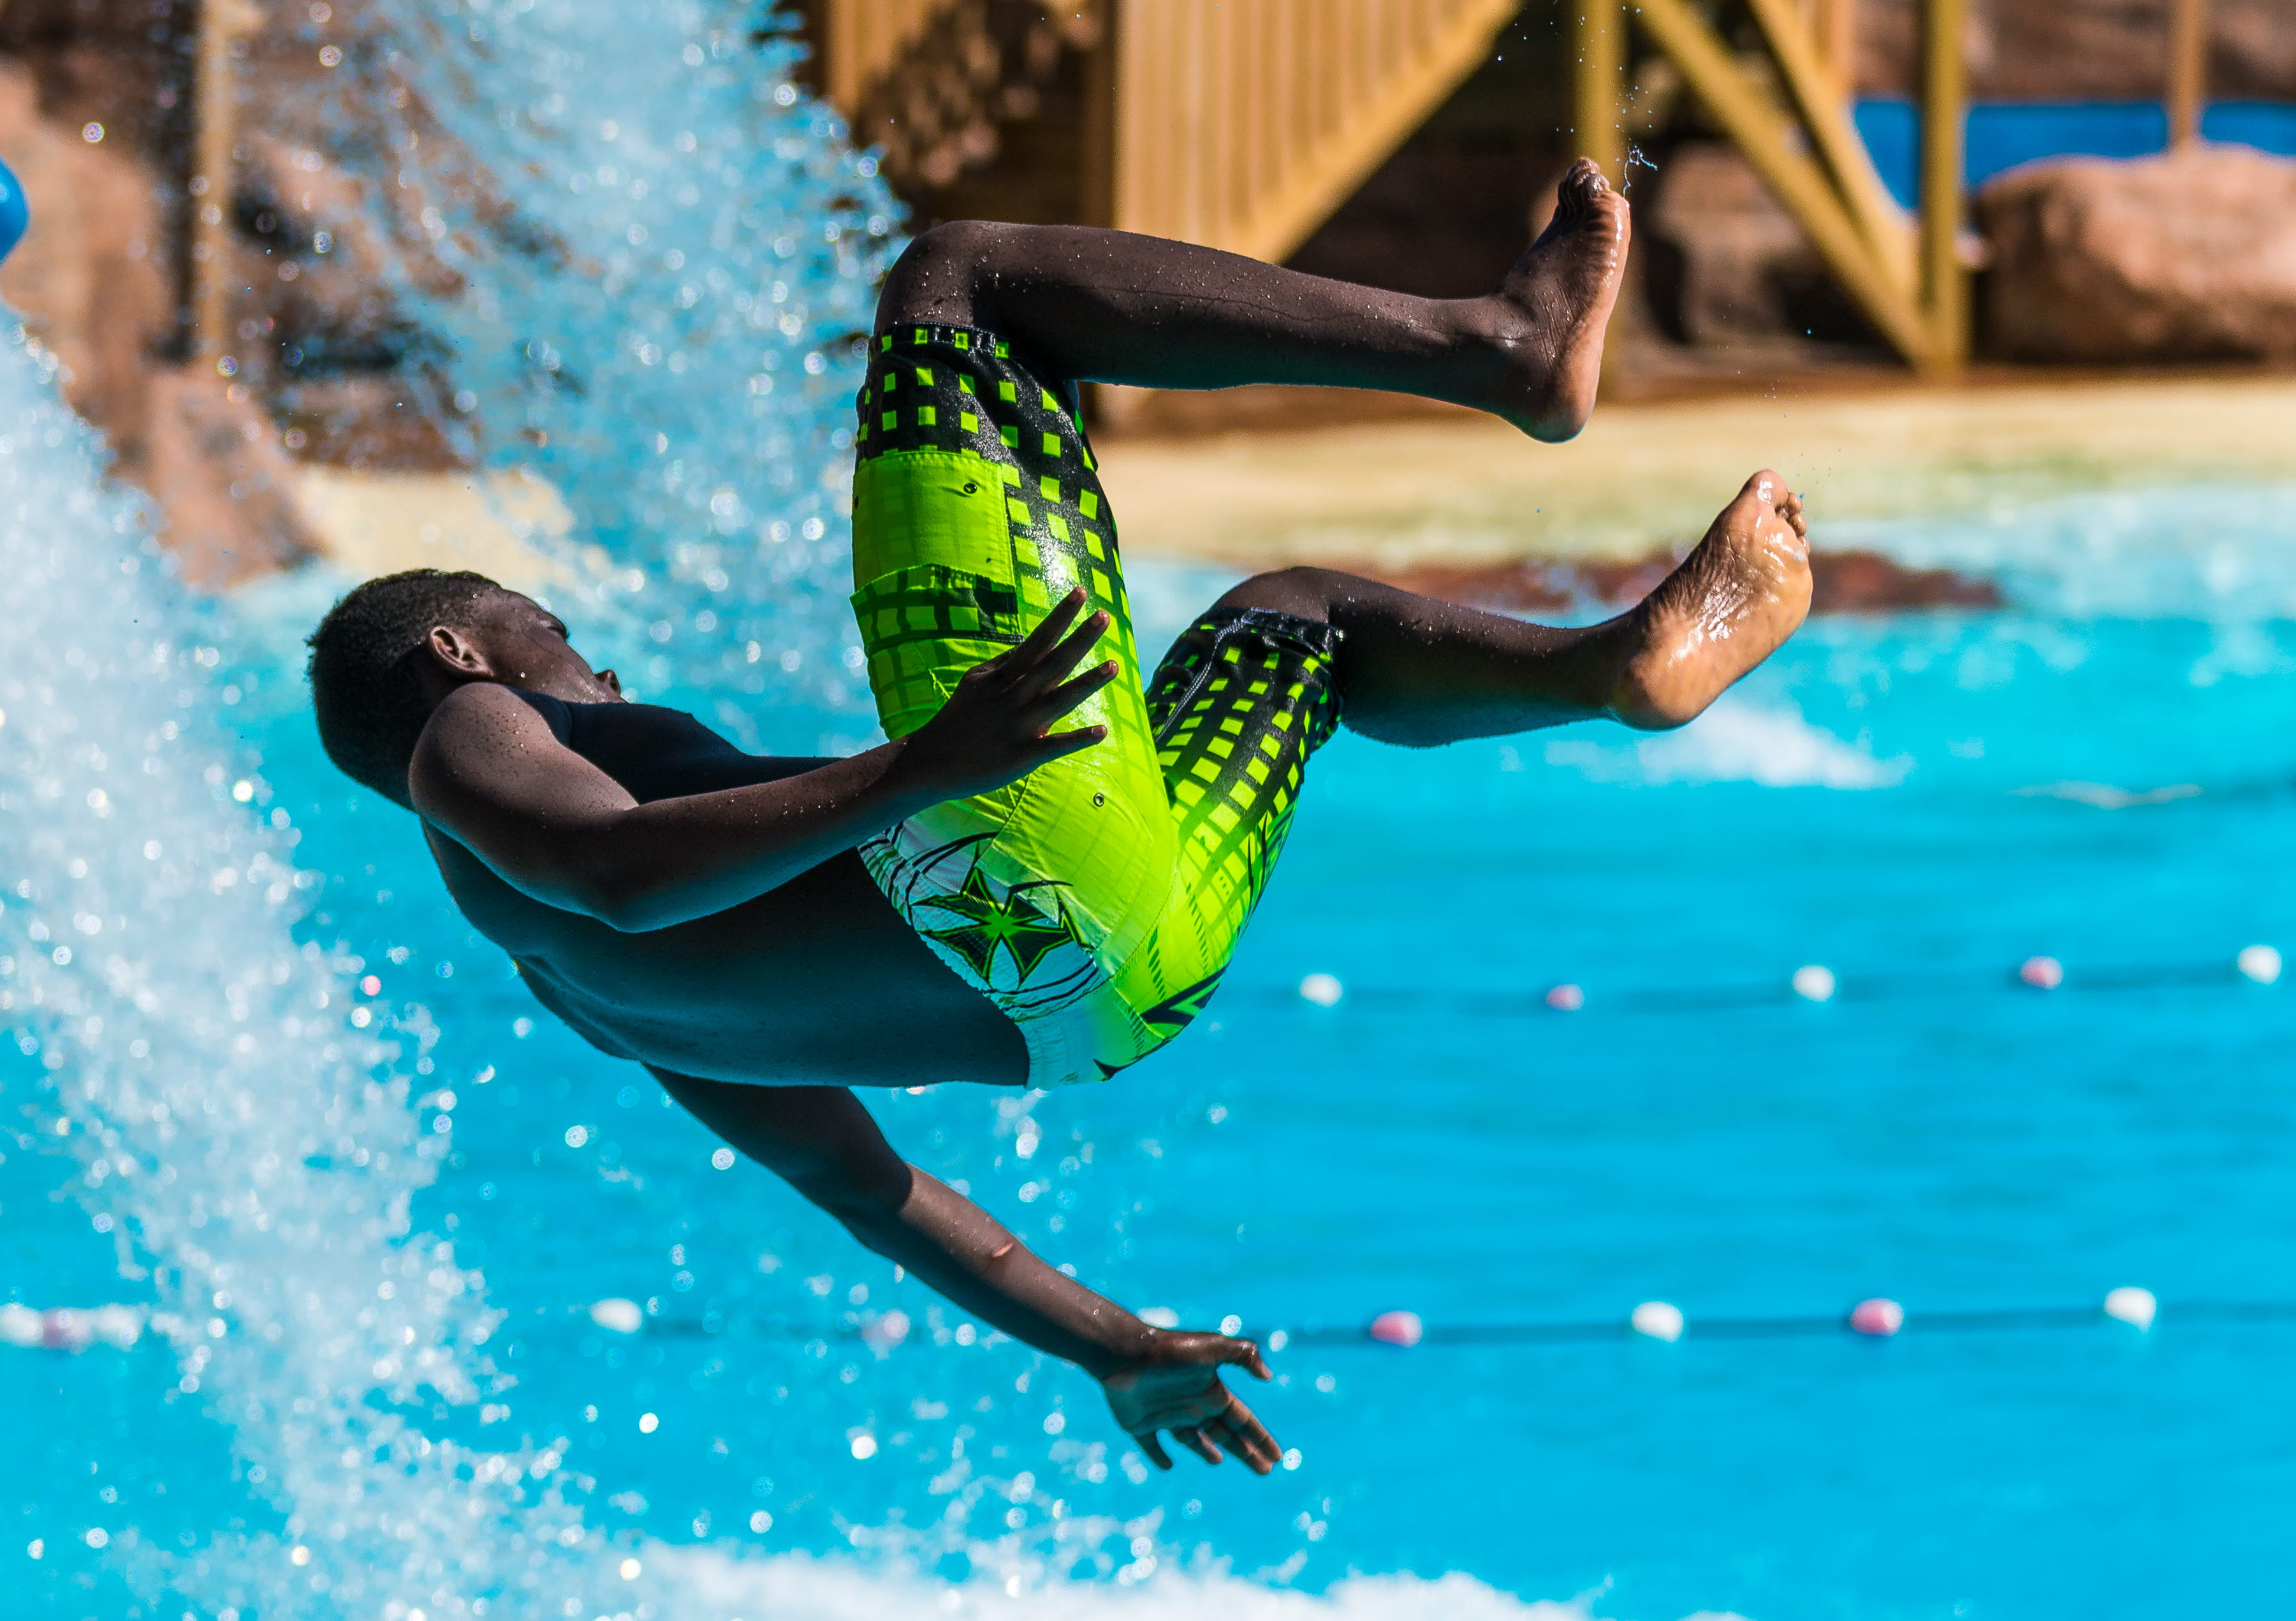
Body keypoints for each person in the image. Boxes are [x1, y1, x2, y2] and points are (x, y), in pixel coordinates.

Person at [306, 164, 1810, 1480]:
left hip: (1130, 994)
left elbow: (866, 1188)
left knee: (1295, 626)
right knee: (959, 284)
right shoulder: (466, 730)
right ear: (463, 651)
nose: (604, 673)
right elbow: (617, 873)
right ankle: (1498, 346)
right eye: (557, 636)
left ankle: (1616, 668)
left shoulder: (596, 1012)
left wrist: (1106, 1344)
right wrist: (922, 769)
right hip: (983, 857)